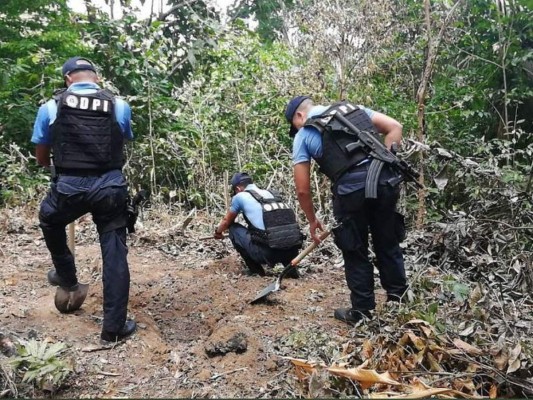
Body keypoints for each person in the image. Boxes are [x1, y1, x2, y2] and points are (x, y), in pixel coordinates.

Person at [31, 56, 136, 342]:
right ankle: (113, 330)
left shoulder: (51, 106)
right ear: (97, 78)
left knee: (49, 219)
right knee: (114, 254)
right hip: (110, 188)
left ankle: (67, 279)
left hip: (69, 188)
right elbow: (121, 139)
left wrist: (61, 166)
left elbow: (41, 157)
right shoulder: (119, 105)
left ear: (67, 79)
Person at [285, 96, 408, 325]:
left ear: (299, 116)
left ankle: (362, 313)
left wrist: (312, 220)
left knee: (355, 248)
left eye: (295, 125)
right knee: (387, 241)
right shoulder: (354, 110)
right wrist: (389, 161)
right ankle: (398, 302)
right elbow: (395, 127)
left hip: (351, 192)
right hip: (384, 181)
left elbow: (302, 190)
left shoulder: (303, 134)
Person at [214, 172, 303, 277]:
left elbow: (226, 222)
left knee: (233, 228)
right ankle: (291, 270)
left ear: (238, 189)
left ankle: (256, 271)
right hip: (293, 252)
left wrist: (218, 232)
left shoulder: (240, 196)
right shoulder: (272, 194)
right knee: (279, 231)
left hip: (269, 254)